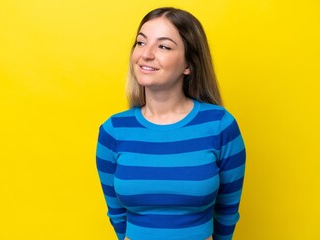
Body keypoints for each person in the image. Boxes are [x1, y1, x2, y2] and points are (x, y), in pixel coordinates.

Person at [96, 7, 246, 240]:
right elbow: (116, 214)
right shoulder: (113, 131)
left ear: (189, 65)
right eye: (141, 43)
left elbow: (227, 212)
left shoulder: (220, 126)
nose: (146, 54)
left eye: (164, 46)